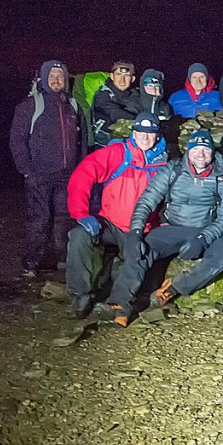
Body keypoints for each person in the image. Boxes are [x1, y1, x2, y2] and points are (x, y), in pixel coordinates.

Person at [101, 130, 223, 327]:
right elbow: (147, 201)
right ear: (188, 151)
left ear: (212, 153)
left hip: (206, 230)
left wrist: (203, 239)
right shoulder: (174, 169)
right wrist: (135, 232)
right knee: (140, 250)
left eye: (206, 150)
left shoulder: (221, 176)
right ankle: (119, 304)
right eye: (196, 149)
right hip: (172, 227)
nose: (201, 154)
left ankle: (173, 288)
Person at [65, 113, 167, 317]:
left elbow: (173, 197)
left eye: (150, 133)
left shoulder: (165, 164)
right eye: (140, 132)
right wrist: (81, 213)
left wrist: (165, 224)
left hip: (142, 229)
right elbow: (83, 174)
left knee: (139, 265)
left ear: (157, 136)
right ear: (133, 132)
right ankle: (80, 295)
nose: (144, 138)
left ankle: (115, 304)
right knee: (78, 236)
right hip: (110, 222)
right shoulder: (118, 153)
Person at [9, 60, 85, 276]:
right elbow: (17, 139)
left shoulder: (73, 105)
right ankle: (30, 263)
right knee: (40, 219)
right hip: (39, 174)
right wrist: (26, 169)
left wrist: (79, 169)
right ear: (43, 78)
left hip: (67, 174)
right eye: (51, 76)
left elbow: (82, 139)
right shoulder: (31, 105)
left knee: (64, 218)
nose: (56, 80)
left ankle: (63, 259)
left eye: (60, 76)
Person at [92, 61, 139, 146]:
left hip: (130, 144)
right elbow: (113, 113)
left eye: (127, 76)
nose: (122, 80)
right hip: (105, 146)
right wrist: (141, 120)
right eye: (118, 75)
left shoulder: (136, 96)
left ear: (132, 79)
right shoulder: (103, 94)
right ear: (112, 76)